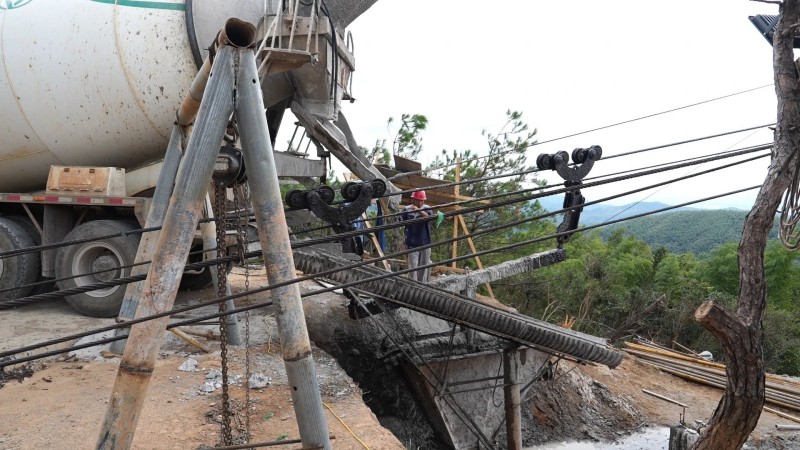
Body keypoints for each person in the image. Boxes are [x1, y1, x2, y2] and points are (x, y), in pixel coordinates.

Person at [401, 190, 434, 282]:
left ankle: (422, 286)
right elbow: (399, 220)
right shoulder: (407, 209)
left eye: (421, 200)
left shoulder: (427, 208)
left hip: (425, 243)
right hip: (412, 243)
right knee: (413, 268)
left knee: (423, 268)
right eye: (417, 200)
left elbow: (428, 217)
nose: (419, 202)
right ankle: (412, 286)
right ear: (413, 199)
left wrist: (418, 210)